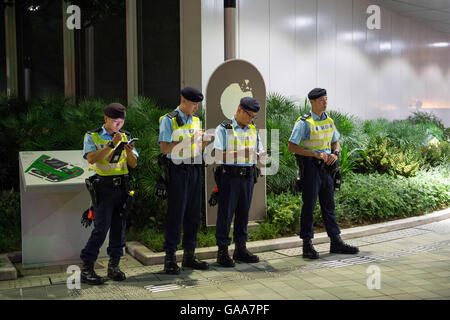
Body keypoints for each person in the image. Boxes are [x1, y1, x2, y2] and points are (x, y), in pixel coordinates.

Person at [288, 88, 359, 259]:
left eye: (326, 99)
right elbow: (292, 146)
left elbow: (336, 142)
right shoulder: (304, 122)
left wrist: (335, 154)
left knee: (329, 206)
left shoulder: (329, 120)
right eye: (321, 100)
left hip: (327, 168)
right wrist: (314, 154)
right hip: (311, 168)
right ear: (312, 102)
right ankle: (307, 245)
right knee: (309, 207)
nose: (325, 102)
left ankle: (336, 242)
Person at [80, 103, 138, 285]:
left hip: (122, 186)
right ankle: (87, 267)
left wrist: (129, 152)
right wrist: (112, 144)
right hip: (103, 187)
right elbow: (91, 158)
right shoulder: (93, 136)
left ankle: (114, 266)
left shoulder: (126, 136)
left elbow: (133, 164)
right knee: (100, 229)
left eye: (121, 122)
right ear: (106, 119)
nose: (118, 126)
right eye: (115, 121)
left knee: (118, 228)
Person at [158, 87, 212, 275]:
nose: (196, 108)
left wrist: (204, 141)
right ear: (183, 101)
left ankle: (189, 255)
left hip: (194, 168)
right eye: (194, 104)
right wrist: (191, 139)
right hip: (177, 170)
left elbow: (196, 147)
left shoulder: (196, 120)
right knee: (176, 214)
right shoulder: (169, 120)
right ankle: (170, 258)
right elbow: (165, 148)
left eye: (198, 104)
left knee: (193, 214)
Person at [214, 97, 266, 267]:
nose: (251, 120)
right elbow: (218, 155)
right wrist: (241, 152)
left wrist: (261, 154)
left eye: (253, 117)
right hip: (230, 177)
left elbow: (259, 150)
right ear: (239, 110)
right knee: (226, 214)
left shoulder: (253, 129)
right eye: (249, 115)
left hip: (248, 177)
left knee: (244, 214)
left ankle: (240, 249)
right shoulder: (224, 128)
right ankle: (222, 252)